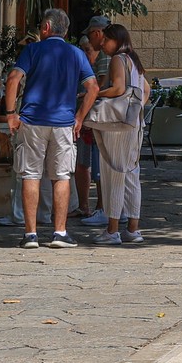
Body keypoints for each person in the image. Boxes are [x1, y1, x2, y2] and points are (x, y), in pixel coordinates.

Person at [4, 8, 98, 249]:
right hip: (63, 123)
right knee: (62, 177)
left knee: (30, 175)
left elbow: (14, 78)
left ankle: (31, 235)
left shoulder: (32, 49)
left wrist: (10, 113)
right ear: (64, 31)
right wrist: (79, 117)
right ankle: (59, 232)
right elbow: (93, 88)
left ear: (46, 27)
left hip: (32, 121)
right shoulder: (77, 53)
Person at [88, 24, 147, 246]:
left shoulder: (117, 60)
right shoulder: (135, 61)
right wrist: (135, 111)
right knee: (132, 175)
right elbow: (146, 91)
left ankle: (112, 230)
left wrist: (94, 94)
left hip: (117, 126)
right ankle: (133, 228)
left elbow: (118, 89)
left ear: (116, 39)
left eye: (106, 40)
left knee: (114, 173)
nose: (102, 44)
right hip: (135, 124)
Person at [72, 27, 114, 227]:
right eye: (83, 49)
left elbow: (100, 89)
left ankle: (101, 207)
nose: (85, 53)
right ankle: (84, 206)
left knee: (98, 166)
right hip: (83, 121)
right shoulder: (81, 67)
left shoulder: (106, 63)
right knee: (82, 163)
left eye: (88, 49)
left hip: (97, 120)